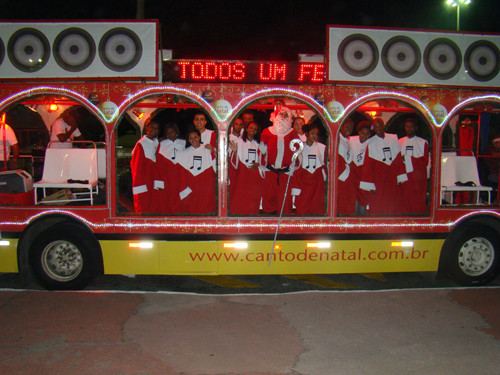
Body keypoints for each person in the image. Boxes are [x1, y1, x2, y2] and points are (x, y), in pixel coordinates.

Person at [360, 117, 408, 216]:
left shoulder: (393, 139)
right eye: (375, 127)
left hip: (392, 177)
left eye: (380, 126)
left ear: (384, 125)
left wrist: (400, 176)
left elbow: (398, 159)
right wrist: (370, 185)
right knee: (379, 205)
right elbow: (367, 165)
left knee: (393, 203)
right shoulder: (370, 142)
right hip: (379, 178)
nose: (378, 129)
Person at [260, 105, 300, 215]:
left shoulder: (292, 133)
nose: (283, 116)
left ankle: (283, 229)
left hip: (285, 173)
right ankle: (268, 228)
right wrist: (262, 159)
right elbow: (261, 153)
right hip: (270, 172)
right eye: (281, 114)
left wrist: (294, 164)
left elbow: (298, 151)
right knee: (268, 199)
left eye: (286, 115)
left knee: (285, 202)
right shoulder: (267, 131)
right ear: (276, 116)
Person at [177, 128, 217, 214]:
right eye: (191, 138)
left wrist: (213, 151)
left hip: (205, 186)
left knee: (206, 210)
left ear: (199, 137)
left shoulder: (207, 151)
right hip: (191, 187)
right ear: (188, 140)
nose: (194, 140)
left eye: (195, 137)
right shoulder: (184, 153)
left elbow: (216, 167)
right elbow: (182, 173)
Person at [229, 121, 264, 215]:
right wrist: (235, 152)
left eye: (255, 129)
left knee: (252, 198)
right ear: (247, 129)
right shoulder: (239, 142)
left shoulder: (259, 144)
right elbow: (234, 161)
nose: (252, 130)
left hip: (254, 174)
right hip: (242, 173)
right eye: (251, 128)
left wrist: (258, 163)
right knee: (240, 196)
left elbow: (263, 159)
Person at [292, 123, 327, 215]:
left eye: (316, 134)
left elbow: (326, 166)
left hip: (317, 183)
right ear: (306, 134)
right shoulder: (300, 148)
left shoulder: (322, 148)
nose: (315, 136)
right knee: (302, 207)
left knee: (316, 207)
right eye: (313, 133)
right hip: (303, 183)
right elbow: (296, 167)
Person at [399, 118, 430, 214]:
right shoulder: (399, 142)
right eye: (407, 127)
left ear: (416, 128)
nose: (409, 129)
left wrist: (407, 158)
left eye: (412, 127)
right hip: (404, 176)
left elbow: (425, 161)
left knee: (417, 200)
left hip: (417, 177)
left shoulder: (422, 142)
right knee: (403, 200)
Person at [130, 121, 162, 214]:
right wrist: (140, 187)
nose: (154, 130)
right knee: (144, 209)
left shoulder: (156, 142)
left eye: (156, 129)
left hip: (153, 182)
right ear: (147, 128)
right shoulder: (141, 144)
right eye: (152, 128)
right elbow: (136, 168)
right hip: (144, 183)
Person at [156, 122, 185, 214]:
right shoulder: (161, 144)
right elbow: (158, 164)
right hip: (167, 177)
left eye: (172, 132)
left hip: (180, 176)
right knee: (167, 200)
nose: (169, 135)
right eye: (167, 133)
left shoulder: (184, 143)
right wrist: (159, 182)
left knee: (181, 199)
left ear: (176, 132)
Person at [348, 121, 372, 215]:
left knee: (363, 200)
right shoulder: (351, 140)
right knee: (353, 200)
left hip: (364, 176)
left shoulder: (371, 143)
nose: (364, 136)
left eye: (367, 134)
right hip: (353, 175)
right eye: (362, 133)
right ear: (359, 132)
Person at [336, 118, 355, 216]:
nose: (349, 130)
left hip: (348, 177)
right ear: (341, 127)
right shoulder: (337, 139)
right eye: (347, 127)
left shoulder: (347, 141)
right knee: (342, 202)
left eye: (351, 128)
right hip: (341, 177)